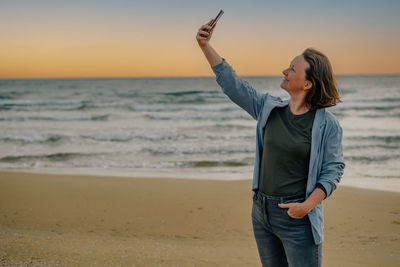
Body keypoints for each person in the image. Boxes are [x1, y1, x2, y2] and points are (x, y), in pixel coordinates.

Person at [196, 19, 345, 267]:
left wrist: (306, 207)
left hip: (298, 217)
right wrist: (205, 46)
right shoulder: (269, 108)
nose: (284, 72)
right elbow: (233, 86)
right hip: (261, 213)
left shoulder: (326, 125)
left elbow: (333, 170)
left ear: (307, 84)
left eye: (292, 70)